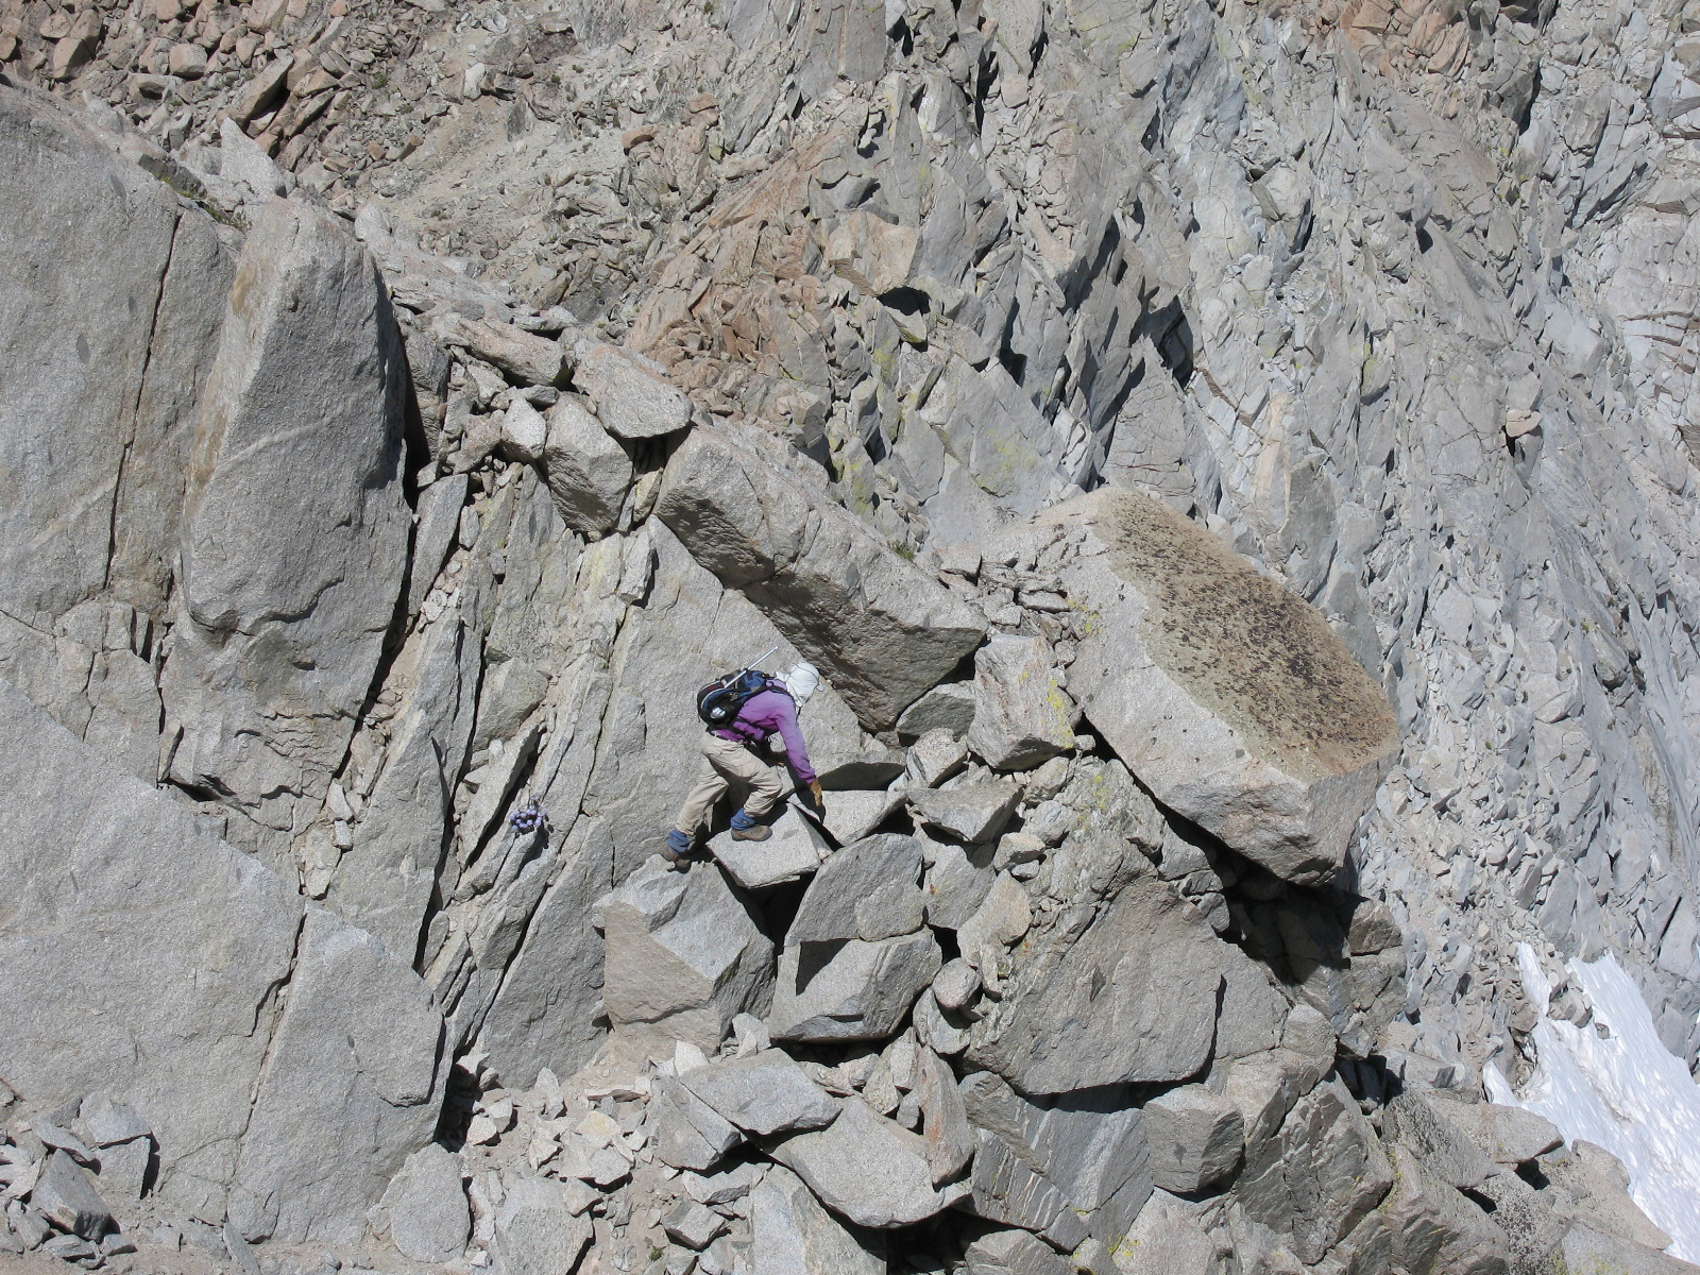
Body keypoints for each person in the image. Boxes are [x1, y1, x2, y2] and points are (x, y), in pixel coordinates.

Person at [663, 661, 825, 867]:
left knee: (707, 789)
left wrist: (768, 754)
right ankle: (741, 826)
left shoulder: (771, 685)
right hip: (727, 748)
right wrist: (811, 780)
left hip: (712, 739)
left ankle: (675, 846)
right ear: (806, 687)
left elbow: (755, 724)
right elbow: (796, 748)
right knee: (771, 785)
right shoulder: (785, 704)